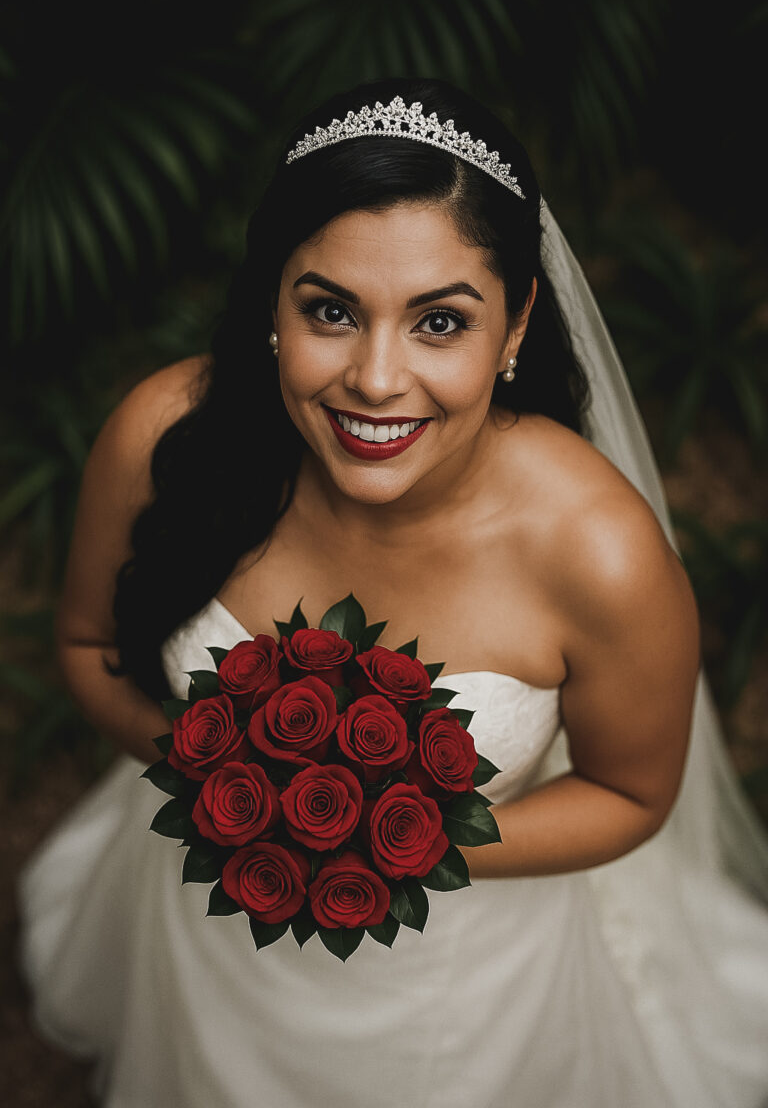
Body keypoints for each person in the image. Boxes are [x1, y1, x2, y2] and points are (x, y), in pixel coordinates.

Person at [16, 78, 768, 1108]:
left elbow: (633, 794)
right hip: (209, 915)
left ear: (516, 326)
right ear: (272, 302)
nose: (375, 380)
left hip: (462, 982)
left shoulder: (601, 554)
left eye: (440, 323)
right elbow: (89, 643)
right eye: (331, 310)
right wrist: (233, 795)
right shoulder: (163, 439)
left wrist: (394, 838)